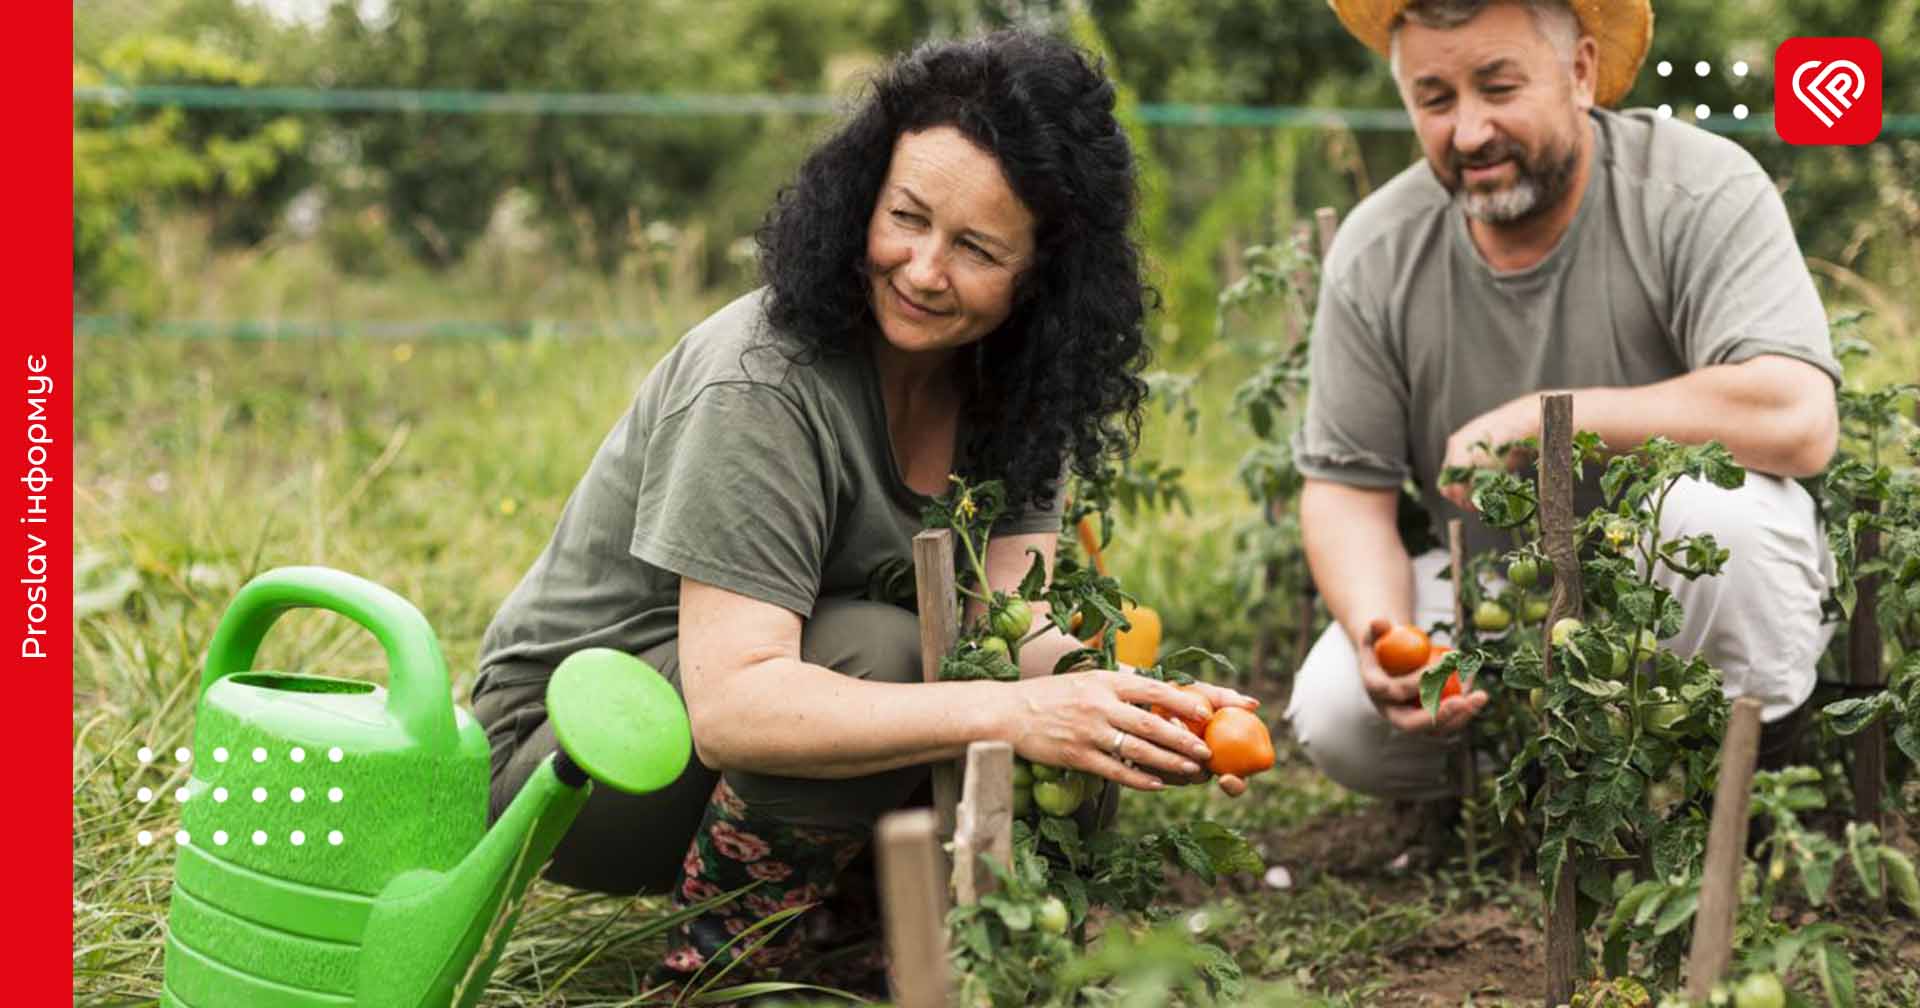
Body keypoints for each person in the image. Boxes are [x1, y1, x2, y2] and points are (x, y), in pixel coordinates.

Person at [470, 29, 1259, 989]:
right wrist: (1018, 711)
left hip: (735, 731)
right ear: (861, 199)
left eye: (975, 248)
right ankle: (724, 971)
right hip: (577, 763)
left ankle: (912, 947)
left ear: (1040, 276)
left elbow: (1011, 624)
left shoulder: (1017, 385)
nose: (924, 269)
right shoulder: (759, 381)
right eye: (907, 218)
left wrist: (1131, 705)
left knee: (1069, 715)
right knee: (879, 653)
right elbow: (733, 709)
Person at [1287, 0, 1841, 802]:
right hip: (1507, 601)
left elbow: (1795, 418)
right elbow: (1346, 487)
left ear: (1580, 73)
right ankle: (1537, 787)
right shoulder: (1380, 251)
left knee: (1713, 517)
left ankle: (1739, 784)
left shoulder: (1696, 189)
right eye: (1436, 99)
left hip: (1676, 585)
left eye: (1498, 87)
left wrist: (1552, 419)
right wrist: (1385, 635)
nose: (1469, 132)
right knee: (1341, 711)